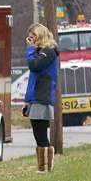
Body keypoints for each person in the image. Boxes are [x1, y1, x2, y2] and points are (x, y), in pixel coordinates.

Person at [23, 23, 59, 173]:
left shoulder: (49, 52)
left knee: (40, 132)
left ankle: (44, 167)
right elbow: (32, 78)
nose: (30, 40)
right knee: (37, 131)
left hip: (42, 96)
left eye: (33, 37)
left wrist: (30, 50)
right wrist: (27, 100)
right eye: (29, 38)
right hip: (35, 97)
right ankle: (44, 165)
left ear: (40, 36)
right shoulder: (39, 52)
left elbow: (35, 66)